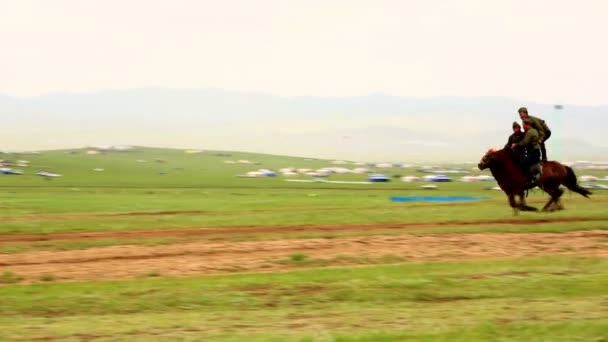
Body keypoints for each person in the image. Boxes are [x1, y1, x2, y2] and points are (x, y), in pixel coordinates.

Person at [512, 120, 541, 187]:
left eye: (523, 125)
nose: (523, 127)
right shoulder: (534, 130)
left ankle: (532, 179)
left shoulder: (530, 132)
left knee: (523, 164)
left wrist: (516, 145)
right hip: (534, 152)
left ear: (527, 125)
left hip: (534, 153)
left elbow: (525, 142)